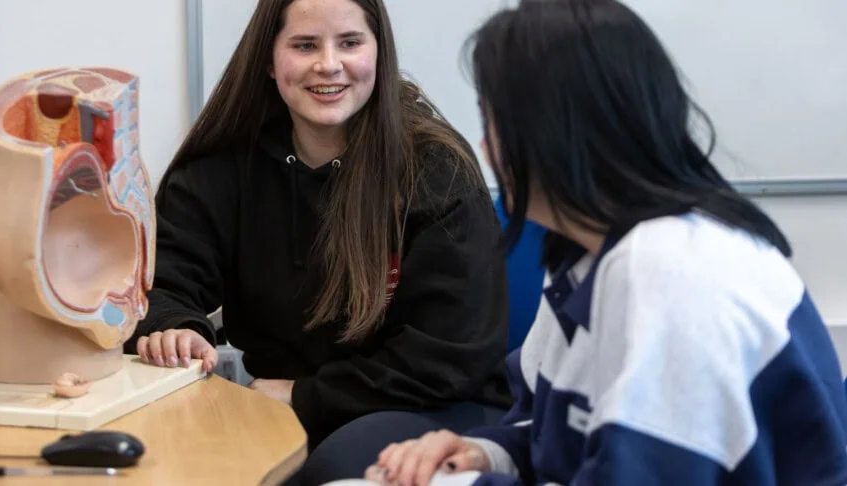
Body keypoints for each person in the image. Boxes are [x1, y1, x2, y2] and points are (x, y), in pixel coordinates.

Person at [363, 0, 847, 485]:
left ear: (551, 133)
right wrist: (481, 455)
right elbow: (556, 438)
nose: (486, 148)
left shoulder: (677, 275)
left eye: (491, 122)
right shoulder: (584, 256)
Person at [123, 0, 512, 481]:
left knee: (323, 469)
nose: (329, 64)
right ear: (268, 60)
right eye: (304, 45)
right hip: (278, 402)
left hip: (428, 407)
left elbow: (450, 355)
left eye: (349, 43)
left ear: (379, 53)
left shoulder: (435, 169)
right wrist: (175, 328)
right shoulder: (222, 167)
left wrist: (300, 396)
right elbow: (157, 284)